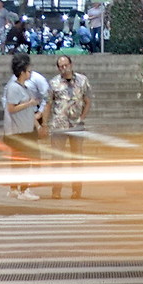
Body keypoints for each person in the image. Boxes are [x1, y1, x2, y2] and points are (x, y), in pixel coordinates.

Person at [46, 51, 93, 200]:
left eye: (66, 65)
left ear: (71, 65)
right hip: (59, 125)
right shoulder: (53, 83)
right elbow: (48, 104)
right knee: (57, 159)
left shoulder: (82, 80)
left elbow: (88, 101)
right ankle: (56, 190)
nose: (64, 68)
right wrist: (45, 124)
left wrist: (82, 117)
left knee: (76, 159)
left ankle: (76, 190)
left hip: (76, 125)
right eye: (61, 66)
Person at [4, 52, 49, 198]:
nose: (30, 73)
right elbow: (11, 108)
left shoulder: (25, 87)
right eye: (28, 70)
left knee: (21, 160)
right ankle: (22, 190)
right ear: (22, 72)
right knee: (22, 161)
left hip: (26, 128)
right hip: (19, 130)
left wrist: (38, 125)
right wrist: (29, 103)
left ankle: (16, 188)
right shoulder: (14, 87)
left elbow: (30, 112)